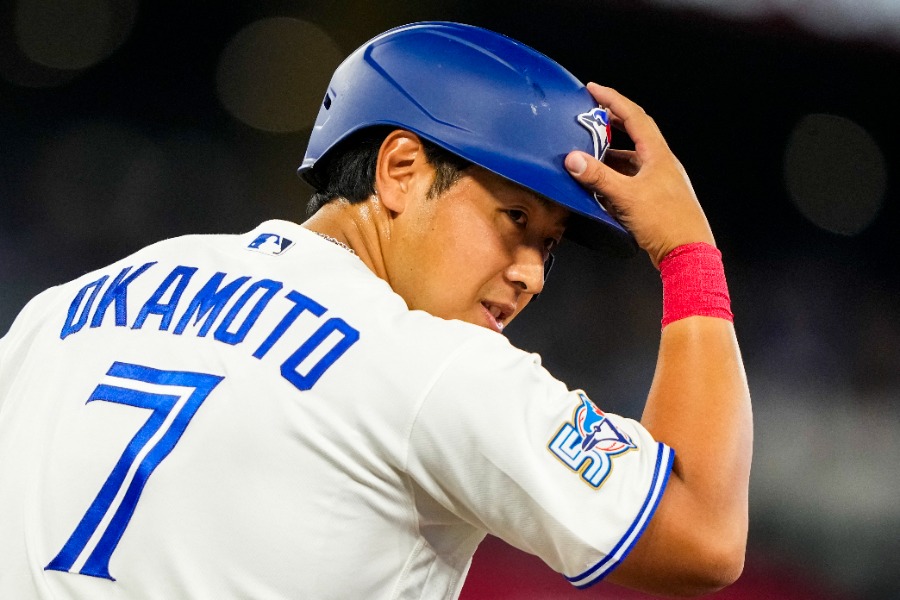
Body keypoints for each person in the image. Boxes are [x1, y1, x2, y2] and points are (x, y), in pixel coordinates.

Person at [0, 21, 751, 599]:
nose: (532, 276)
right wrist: (688, 251)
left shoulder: (67, 309)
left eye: (548, 247)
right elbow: (702, 537)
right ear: (399, 169)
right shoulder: (435, 366)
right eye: (516, 219)